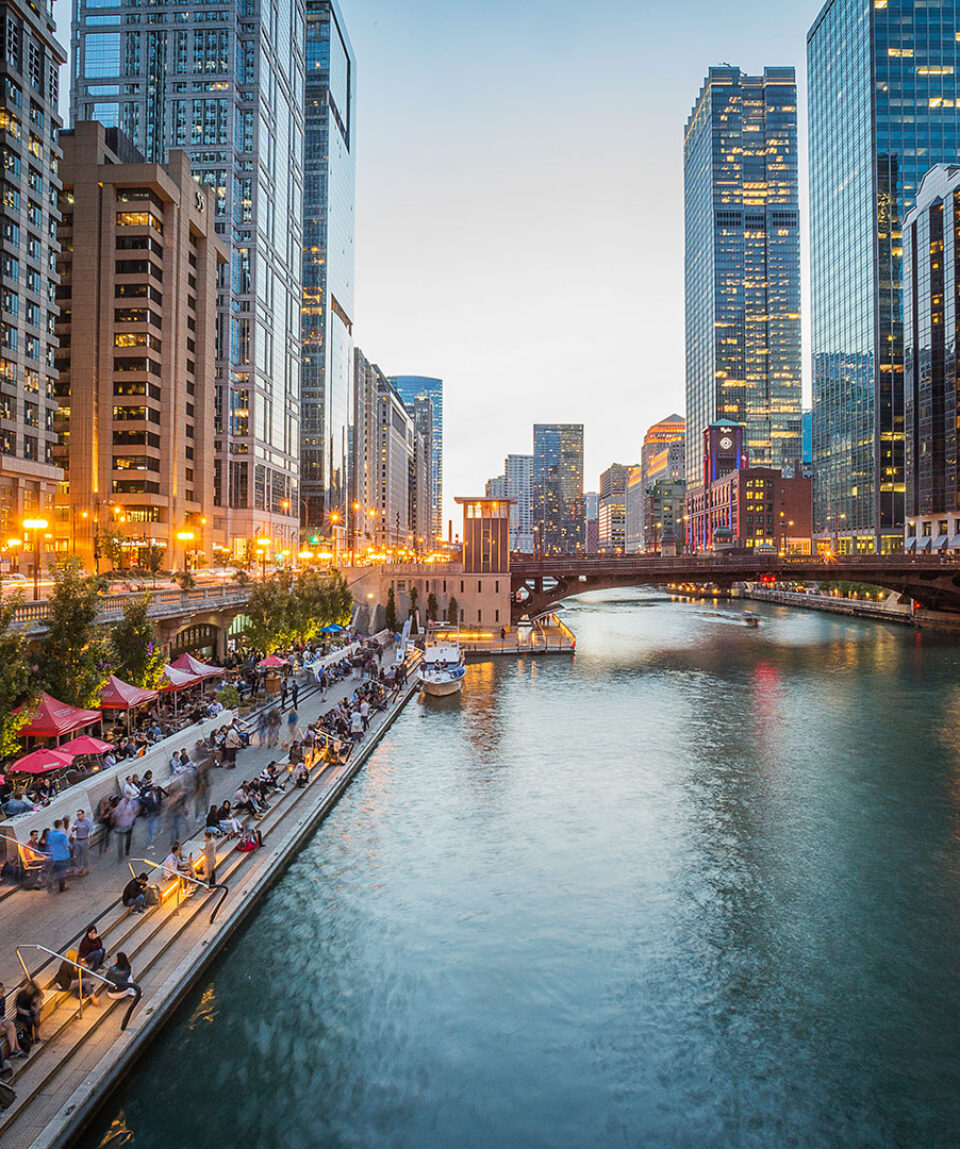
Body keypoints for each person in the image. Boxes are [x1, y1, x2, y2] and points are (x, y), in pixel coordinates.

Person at [0, 983, 24, 1059]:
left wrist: (2, 1020)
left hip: (0, 1021)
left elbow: (2, 1013)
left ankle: (13, 1050)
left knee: (11, 1025)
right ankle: (17, 1049)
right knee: (5, 1029)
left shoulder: (2, 999)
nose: (0, 995)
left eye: (1, 992)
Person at [46, 819, 71, 893]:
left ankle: (51, 885)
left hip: (54, 855)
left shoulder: (50, 834)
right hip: (62, 856)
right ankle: (62, 887)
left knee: (55, 870)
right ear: (60, 825)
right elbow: (67, 845)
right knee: (62, 872)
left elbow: (48, 843)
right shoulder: (62, 835)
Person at [15, 980, 41, 1045]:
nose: (30, 991)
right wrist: (28, 1013)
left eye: (32, 989)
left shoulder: (36, 993)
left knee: (36, 1019)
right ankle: (30, 1036)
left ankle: (36, 1034)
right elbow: (19, 1009)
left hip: (31, 1010)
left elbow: (38, 1002)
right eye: (29, 989)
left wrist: (36, 1010)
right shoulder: (21, 995)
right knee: (28, 1020)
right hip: (23, 1012)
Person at [73, 809, 93, 875]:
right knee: (77, 854)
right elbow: (73, 829)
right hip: (78, 839)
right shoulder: (76, 821)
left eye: (79, 814)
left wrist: (89, 839)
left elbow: (91, 830)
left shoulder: (87, 821)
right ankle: (80, 867)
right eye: (77, 815)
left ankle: (86, 868)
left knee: (85, 855)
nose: (78, 816)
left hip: (84, 839)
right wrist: (73, 829)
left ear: (83, 814)